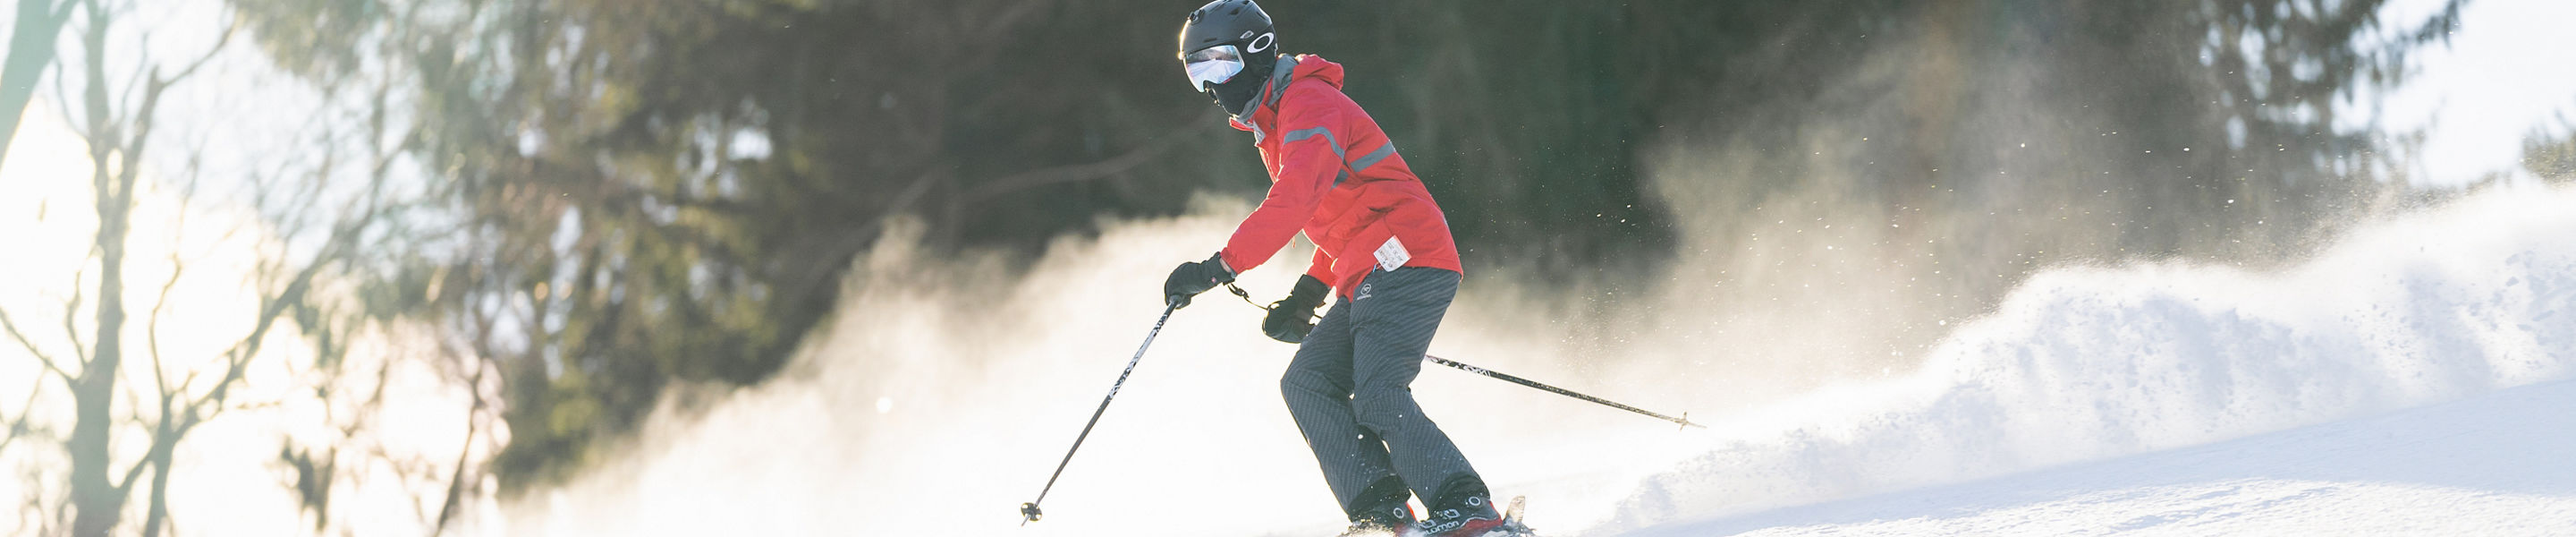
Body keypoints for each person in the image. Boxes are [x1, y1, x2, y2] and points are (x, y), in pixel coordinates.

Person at [1161, 2, 1518, 536]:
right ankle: (1382, 512)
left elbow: (1296, 198)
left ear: (1257, 52)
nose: (1214, 87)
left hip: (1408, 256)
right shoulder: (1277, 120)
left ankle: (1468, 509)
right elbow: (1339, 220)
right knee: (1307, 382)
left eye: (1220, 65)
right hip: (1369, 267)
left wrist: (1219, 268)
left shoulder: (1308, 102)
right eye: (1198, 73)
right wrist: (1307, 294)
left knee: (1378, 393)